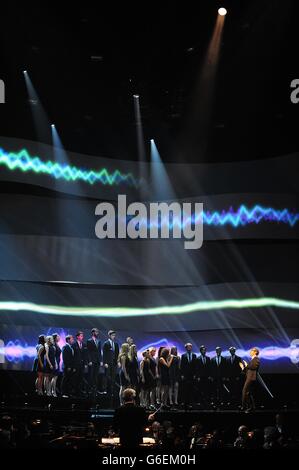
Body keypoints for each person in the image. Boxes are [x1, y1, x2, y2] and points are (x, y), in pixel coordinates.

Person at [240, 347, 260, 412]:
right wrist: (243, 367)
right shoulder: (252, 360)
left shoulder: (256, 359)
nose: (250, 352)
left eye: (251, 351)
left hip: (251, 378)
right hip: (249, 377)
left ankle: (244, 406)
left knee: (244, 391)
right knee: (249, 393)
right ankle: (251, 407)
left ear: (255, 352)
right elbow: (249, 370)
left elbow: (253, 367)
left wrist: (246, 365)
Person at [103, 330, 120, 405]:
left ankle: (112, 389)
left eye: (114, 335)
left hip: (114, 362)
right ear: (109, 335)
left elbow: (117, 354)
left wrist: (118, 361)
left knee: (113, 376)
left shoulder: (116, 344)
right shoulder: (106, 343)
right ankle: (106, 389)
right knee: (107, 376)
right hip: (108, 362)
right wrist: (105, 362)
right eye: (112, 335)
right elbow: (104, 354)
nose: (114, 336)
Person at [180, 343, 197, 408]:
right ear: (186, 348)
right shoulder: (183, 356)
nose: (189, 348)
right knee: (185, 389)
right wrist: (182, 374)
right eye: (188, 347)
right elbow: (182, 366)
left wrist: (195, 374)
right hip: (185, 375)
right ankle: (185, 402)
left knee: (191, 389)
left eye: (190, 347)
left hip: (192, 375)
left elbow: (195, 366)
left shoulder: (194, 355)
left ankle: (191, 402)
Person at [87, 328, 102, 396]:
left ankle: (95, 390)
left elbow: (99, 352)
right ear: (93, 333)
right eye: (96, 332)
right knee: (91, 375)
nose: (97, 333)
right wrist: (89, 360)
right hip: (92, 361)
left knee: (96, 375)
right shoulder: (89, 341)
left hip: (97, 360)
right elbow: (88, 352)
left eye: (98, 332)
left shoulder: (99, 341)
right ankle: (90, 389)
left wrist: (101, 360)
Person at [72, 331, 87, 397]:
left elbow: (85, 355)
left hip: (82, 365)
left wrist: (85, 363)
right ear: (77, 337)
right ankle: (74, 392)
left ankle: (80, 392)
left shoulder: (84, 344)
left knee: (81, 379)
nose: (82, 337)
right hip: (76, 365)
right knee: (75, 379)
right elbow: (72, 356)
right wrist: (73, 366)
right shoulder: (74, 344)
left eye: (82, 336)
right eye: (81, 336)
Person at [51, 333, 61, 397]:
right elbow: (53, 355)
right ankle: (53, 391)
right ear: (55, 338)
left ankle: (53, 390)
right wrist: (55, 363)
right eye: (58, 337)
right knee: (54, 377)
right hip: (55, 362)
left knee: (55, 377)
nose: (59, 338)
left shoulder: (57, 344)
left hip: (57, 361)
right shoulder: (54, 344)